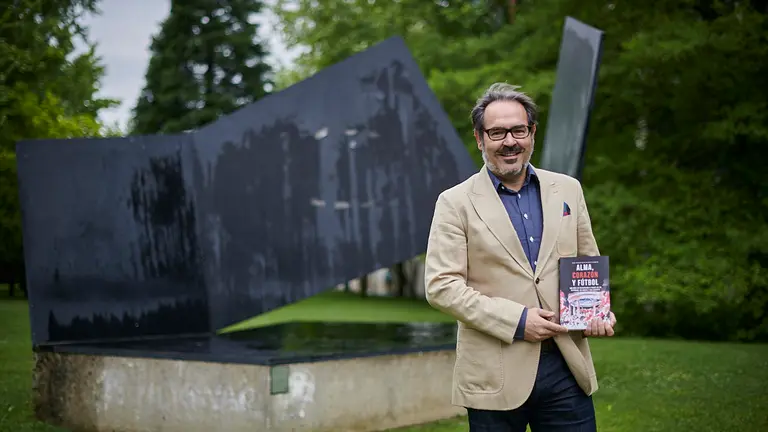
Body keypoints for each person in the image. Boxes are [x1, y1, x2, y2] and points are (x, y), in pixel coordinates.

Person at [423, 82, 616, 431]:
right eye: (497, 132)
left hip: (565, 368)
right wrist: (518, 320)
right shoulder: (454, 202)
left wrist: (595, 311)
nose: (509, 141)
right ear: (480, 138)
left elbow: (585, 262)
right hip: (493, 373)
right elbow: (442, 286)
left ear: (532, 133)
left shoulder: (568, 189)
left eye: (518, 130)